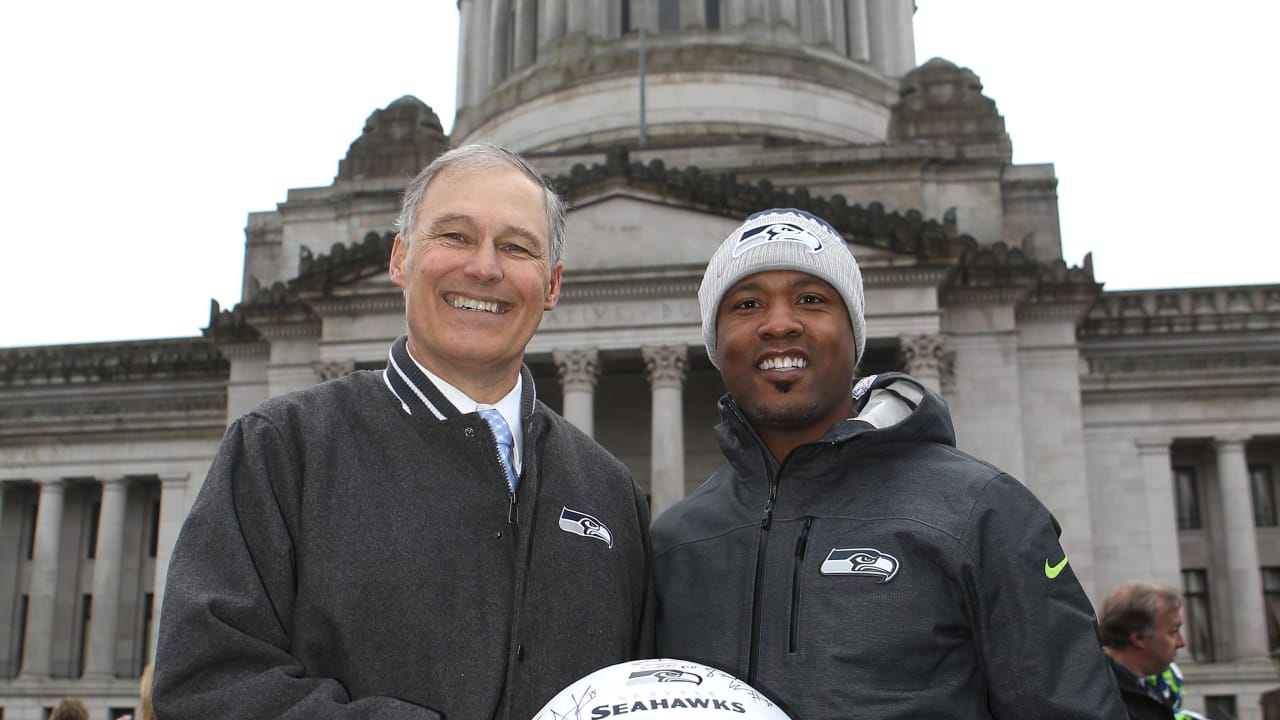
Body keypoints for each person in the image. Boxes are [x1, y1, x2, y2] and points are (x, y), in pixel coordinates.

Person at [154, 143, 654, 719]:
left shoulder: (610, 493)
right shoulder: (281, 449)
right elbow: (207, 688)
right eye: (455, 237)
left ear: (552, 284)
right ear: (400, 258)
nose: (485, 268)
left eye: (516, 247)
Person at [650, 208, 1126, 719]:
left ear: (854, 335)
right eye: (746, 304)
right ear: (716, 345)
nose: (780, 323)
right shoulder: (676, 542)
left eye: (812, 299)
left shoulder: (980, 513)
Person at [1101, 580, 1187, 720]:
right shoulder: (1101, 700)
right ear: (1139, 638)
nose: (1182, 642)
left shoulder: (1143, 691)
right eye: (1173, 631)